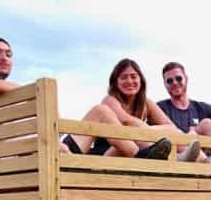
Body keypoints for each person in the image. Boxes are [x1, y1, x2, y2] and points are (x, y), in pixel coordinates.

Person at [0, 39, 172, 160]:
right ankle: (141, 157)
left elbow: (58, 126)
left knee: (100, 111)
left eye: (8, 54)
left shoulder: (17, 98)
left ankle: (139, 155)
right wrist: (36, 91)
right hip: (27, 159)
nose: (4, 57)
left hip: (51, 151)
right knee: (106, 131)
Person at [62, 58, 200, 162]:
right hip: (105, 155)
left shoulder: (145, 103)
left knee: (171, 131)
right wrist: (149, 137)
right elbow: (126, 122)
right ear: (115, 82)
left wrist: (149, 134)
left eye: (133, 76)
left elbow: (171, 127)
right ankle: (155, 154)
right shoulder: (109, 100)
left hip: (128, 153)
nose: (129, 81)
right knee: (105, 113)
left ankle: (197, 160)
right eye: (123, 77)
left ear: (141, 80)